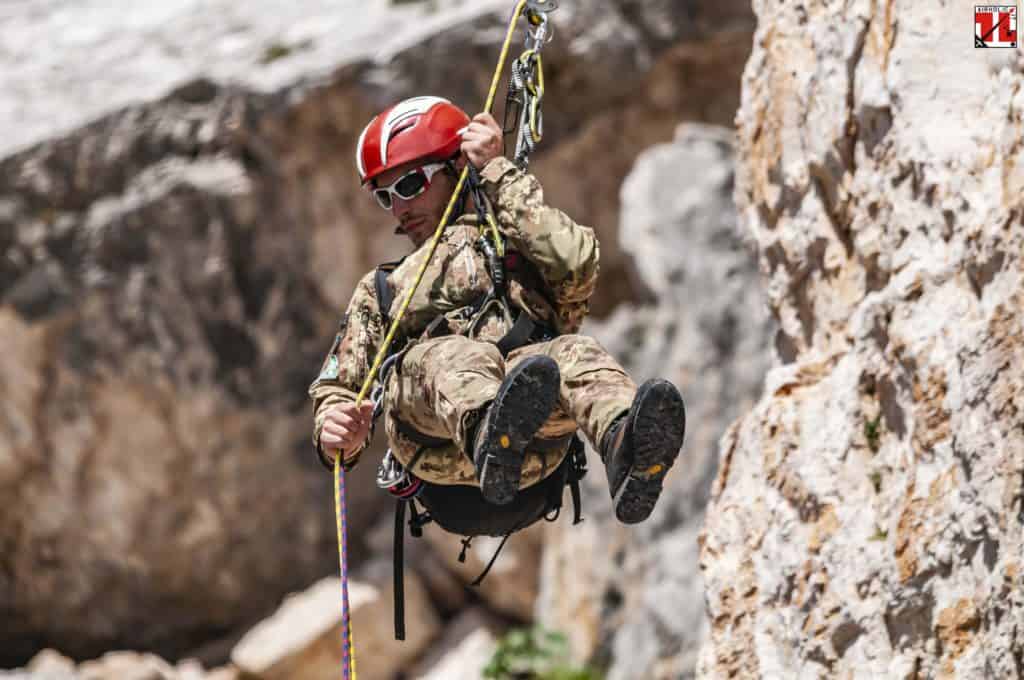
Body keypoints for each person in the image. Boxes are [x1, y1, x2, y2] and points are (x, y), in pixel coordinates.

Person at [309, 96, 685, 524]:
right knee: (450, 356)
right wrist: (335, 429)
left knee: (573, 355)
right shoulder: (383, 288)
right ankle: (490, 428)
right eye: (385, 197)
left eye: (410, 186)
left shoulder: (515, 245)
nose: (399, 207)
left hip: (532, 447)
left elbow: (575, 260)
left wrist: (496, 172)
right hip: (438, 447)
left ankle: (627, 446)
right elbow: (337, 385)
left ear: (457, 168)